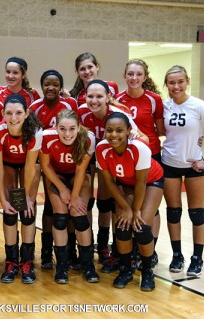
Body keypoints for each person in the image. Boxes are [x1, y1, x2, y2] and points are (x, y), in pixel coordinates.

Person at [162, 65, 204, 276]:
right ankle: (177, 255)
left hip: (193, 165)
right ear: (167, 85)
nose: (176, 86)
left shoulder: (199, 105)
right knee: (173, 213)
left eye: (180, 81)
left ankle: (197, 258)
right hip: (169, 164)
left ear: (187, 81)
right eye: (172, 82)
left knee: (196, 214)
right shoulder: (164, 106)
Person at [77, 79, 144, 273]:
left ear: (108, 97)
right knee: (96, 203)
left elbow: (142, 138)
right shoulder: (81, 112)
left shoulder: (120, 114)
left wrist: (134, 139)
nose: (94, 100)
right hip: (93, 160)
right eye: (90, 96)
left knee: (114, 205)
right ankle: (100, 246)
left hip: (116, 162)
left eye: (99, 96)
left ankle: (118, 251)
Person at [97, 112, 164, 291]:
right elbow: (110, 183)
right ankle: (126, 268)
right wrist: (126, 208)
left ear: (128, 131)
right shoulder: (101, 149)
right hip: (125, 183)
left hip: (151, 181)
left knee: (141, 227)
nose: (114, 135)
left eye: (119, 130)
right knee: (122, 227)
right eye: (109, 130)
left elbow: (141, 183)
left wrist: (135, 211)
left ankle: (147, 270)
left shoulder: (139, 148)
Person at [70, 53, 119, 266]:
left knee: (107, 201)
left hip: (111, 156)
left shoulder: (112, 94)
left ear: (97, 67)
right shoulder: (78, 102)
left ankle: (105, 243)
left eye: (90, 67)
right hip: (90, 156)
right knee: (87, 200)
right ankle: (87, 246)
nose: (87, 72)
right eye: (83, 69)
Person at [115, 59, 165, 269]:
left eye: (138, 74)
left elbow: (161, 130)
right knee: (129, 204)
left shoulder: (154, 99)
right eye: (130, 74)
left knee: (150, 210)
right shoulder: (117, 100)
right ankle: (131, 250)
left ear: (145, 77)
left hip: (150, 157)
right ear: (124, 76)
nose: (134, 78)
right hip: (126, 159)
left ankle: (149, 249)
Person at [40, 109, 99, 284]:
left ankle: (88, 265)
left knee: (79, 215)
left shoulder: (87, 138)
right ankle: (62, 265)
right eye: (62, 129)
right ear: (55, 127)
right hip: (56, 176)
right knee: (59, 217)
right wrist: (62, 189)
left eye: (72, 128)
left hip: (78, 175)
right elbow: (45, 166)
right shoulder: (46, 137)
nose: (67, 134)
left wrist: (74, 196)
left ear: (79, 127)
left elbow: (81, 170)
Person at [0, 94, 42, 284]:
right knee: (11, 209)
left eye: (19, 113)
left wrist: (29, 196)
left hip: (29, 166)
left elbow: (30, 166)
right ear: (2, 113)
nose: (14, 118)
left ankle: (27, 260)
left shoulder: (35, 132)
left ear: (27, 113)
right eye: (9, 113)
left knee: (28, 210)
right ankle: (11, 261)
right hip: (8, 165)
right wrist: (2, 200)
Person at [29, 70, 79, 269]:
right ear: (41, 86)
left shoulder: (69, 105)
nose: (51, 87)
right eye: (47, 84)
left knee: (71, 208)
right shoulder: (34, 107)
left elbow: (76, 131)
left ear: (61, 86)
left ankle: (70, 250)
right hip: (43, 161)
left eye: (55, 84)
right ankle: (46, 251)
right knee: (49, 207)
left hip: (67, 161)